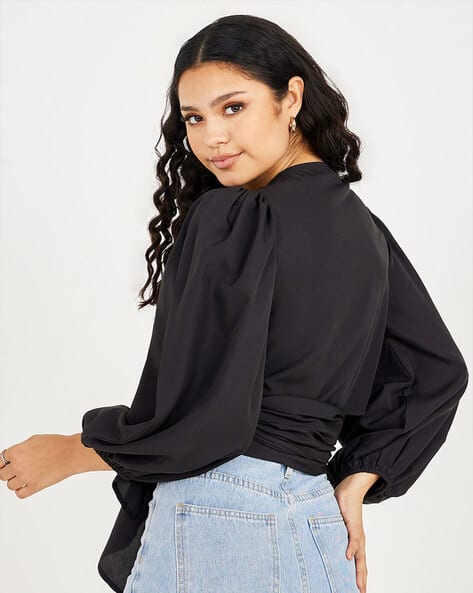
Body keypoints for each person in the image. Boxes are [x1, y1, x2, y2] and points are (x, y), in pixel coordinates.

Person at [0, 14, 469, 593]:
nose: (211, 138)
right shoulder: (363, 229)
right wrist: (358, 476)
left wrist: (72, 453)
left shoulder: (232, 217)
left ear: (290, 97)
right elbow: (436, 372)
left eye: (232, 107)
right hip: (312, 519)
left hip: (223, 515)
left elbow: (203, 416)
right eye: (194, 118)